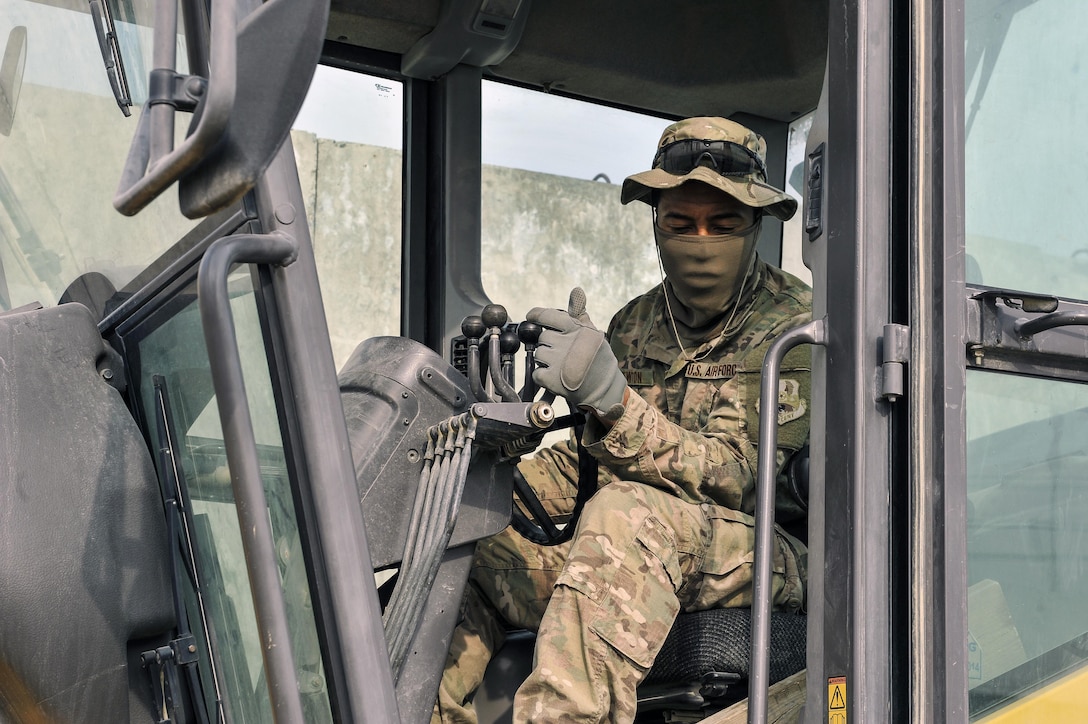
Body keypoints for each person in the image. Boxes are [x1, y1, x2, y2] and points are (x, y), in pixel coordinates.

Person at [434, 116, 812, 723]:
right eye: (680, 223)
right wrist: (501, 474)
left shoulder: (798, 328)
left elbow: (749, 478)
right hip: (649, 538)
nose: (701, 239)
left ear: (755, 225)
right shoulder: (637, 322)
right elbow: (593, 460)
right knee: (472, 537)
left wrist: (613, 402)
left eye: (723, 224)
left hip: (772, 550)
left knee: (622, 515)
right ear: (655, 222)